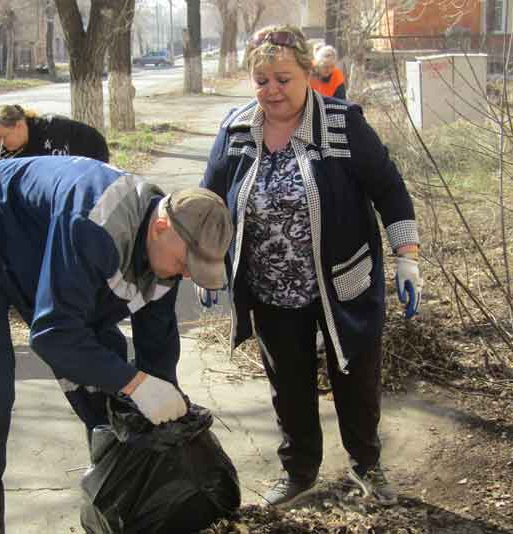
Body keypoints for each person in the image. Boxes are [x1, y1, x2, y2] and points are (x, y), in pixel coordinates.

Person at [0, 155, 233, 533]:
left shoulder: (167, 250)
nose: (186, 275)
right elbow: (53, 334)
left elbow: (157, 342)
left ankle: (116, 503)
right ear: (159, 226)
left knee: (106, 381)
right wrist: (136, 384)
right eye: (184, 264)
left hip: (39, 244)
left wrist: (162, 400)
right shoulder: (95, 226)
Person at [198, 25, 422, 508]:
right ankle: (299, 470)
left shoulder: (343, 124)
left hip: (344, 282)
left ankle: (367, 465)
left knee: (355, 378)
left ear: (306, 74)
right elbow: (209, 201)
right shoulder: (236, 130)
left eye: (282, 78)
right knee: (289, 385)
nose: (271, 91)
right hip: (270, 286)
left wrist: (408, 257)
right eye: (261, 81)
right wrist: (206, 260)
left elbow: (389, 188)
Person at [0, 104, 109, 162]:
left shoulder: (52, 131)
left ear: (19, 125)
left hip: (91, 157)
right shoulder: (4, 149)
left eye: (4, 137)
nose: (1, 143)